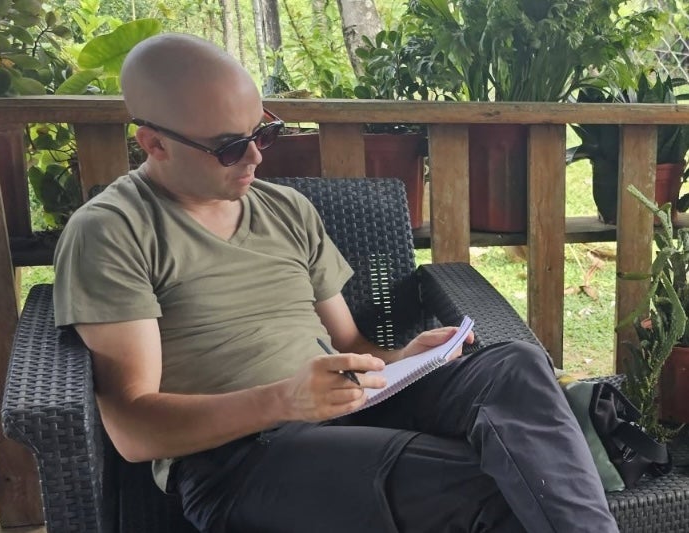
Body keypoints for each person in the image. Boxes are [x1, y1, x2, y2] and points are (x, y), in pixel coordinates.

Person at [52, 32, 618, 533]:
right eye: (228, 146)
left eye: (262, 134)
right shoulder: (113, 231)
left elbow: (349, 346)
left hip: (347, 408)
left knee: (514, 364)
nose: (253, 157)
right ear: (153, 142)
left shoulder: (285, 210)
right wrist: (284, 400)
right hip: (237, 459)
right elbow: (133, 428)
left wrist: (402, 357)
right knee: (498, 486)